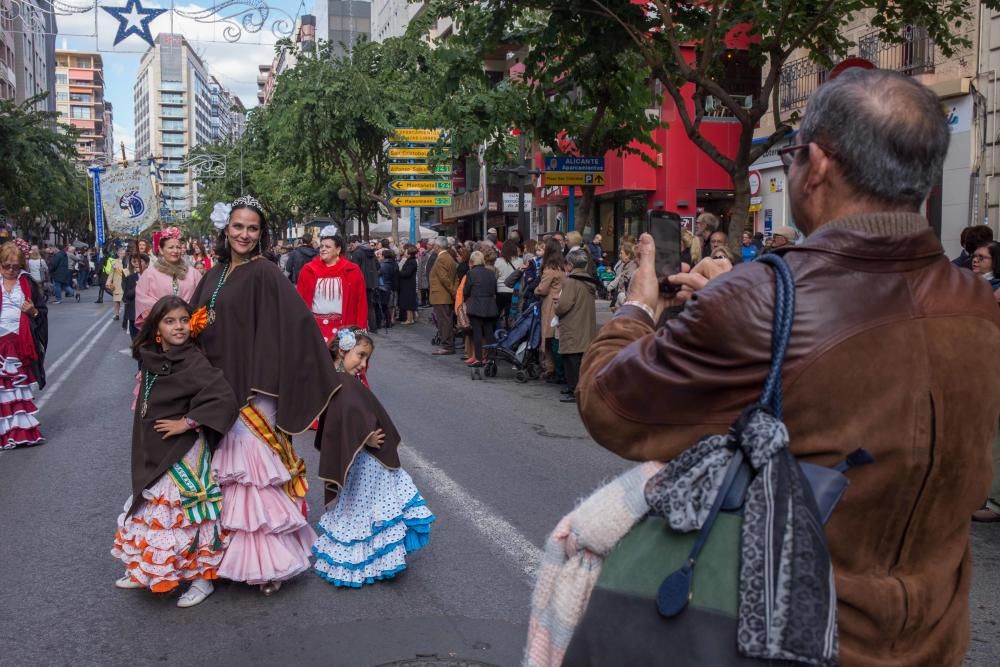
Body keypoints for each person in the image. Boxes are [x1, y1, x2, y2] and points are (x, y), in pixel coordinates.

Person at [576, 68, 1000, 664]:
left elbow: (607, 403)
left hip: (793, 636)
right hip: (933, 637)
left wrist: (638, 306)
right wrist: (735, 295)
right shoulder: (978, 304)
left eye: (795, 152)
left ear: (819, 164)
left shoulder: (757, 301)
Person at [190, 195, 341, 596]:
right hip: (218, 388)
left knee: (255, 477)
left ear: (261, 234)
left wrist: (329, 360)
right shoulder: (215, 274)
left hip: (254, 393)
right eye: (238, 226)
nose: (243, 234)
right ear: (226, 229)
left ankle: (270, 563)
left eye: (252, 228)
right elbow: (194, 323)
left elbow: (298, 325)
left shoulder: (267, 273)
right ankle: (226, 559)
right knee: (225, 478)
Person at [111, 296, 238, 607]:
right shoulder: (152, 357)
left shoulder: (194, 361)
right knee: (153, 510)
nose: (179, 327)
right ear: (157, 329)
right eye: (170, 321)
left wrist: (188, 422)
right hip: (155, 447)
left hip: (185, 452)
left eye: (183, 320)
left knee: (185, 515)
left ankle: (201, 579)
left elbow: (224, 399)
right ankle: (148, 568)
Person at [312, 327, 435, 587]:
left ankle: (374, 560)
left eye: (367, 358)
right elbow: (340, 419)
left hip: (366, 461)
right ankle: (366, 562)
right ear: (342, 349)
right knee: (370, 508)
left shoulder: (340, 379)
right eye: (360, 355)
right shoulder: (339, 382)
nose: (363, 364)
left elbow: (347, 416)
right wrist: (364, 436)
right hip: (368, 460)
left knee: (365, 506)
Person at [0, 242, 46, 449]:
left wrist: (33, 311)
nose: (11, 270)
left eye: (15, 266)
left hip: (20, 344)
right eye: (6, 266)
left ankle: (20, 434)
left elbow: (42, 313)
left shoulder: (27, 283)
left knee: (17, 389)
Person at [295, 227, 368, 343]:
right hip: (315, 330)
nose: (323, 249)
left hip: (345, 331)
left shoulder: (352, 270)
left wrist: (361, 334)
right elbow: (299, 303)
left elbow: (361, 305)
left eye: (328, 247)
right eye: (321, 246)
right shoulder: (308, 270)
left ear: (338, 249)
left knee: (342, 361)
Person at [555, 250, 599, 403]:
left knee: (571, 359)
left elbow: (564, 305)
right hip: (585, 323)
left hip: (572, 323)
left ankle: (574, 390)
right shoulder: (589, 280)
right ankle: (576, 387)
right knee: (581, 358)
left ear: (571, 265)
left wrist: (556, 306)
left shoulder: (571, 281)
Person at [135, 228, 200, 328]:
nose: (175, 251)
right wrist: (165, 310)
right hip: (160, 325)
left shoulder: (193, 273)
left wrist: (186, 311)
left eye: (178, 247)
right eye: (171, 247)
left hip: (188, 325)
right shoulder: (149, 274)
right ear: (161, 250)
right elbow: (142, 298)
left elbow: (201, 296)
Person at [536, 238, 567, 384]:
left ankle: (553, 369)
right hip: (561, 302)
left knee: (550, 338)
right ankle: (555, 369)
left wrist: (535, 289)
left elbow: (542, 289)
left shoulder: (549, 268)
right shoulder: (563, 267)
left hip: (550, 305)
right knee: (555, 337)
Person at [463, 251, 498, 367]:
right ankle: (491, 358)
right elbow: (494, 290)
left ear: (472, 262)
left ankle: (479, 358)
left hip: (476, 305)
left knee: (477, 332)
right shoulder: (491, 273)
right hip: (489, 305)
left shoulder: (471, 273)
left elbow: (466, 291)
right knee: (489, 332)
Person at [429, 239, 458, 356]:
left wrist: (453, 292)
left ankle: (447, 346)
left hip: (441, 295)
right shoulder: (449, 257)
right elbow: (454, 278)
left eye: (435, 245)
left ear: (437, 246)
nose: (433, 247)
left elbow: (444, 279)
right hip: (445, 295)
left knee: (444, 322)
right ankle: (448, 344)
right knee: (446, 321)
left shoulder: (441, 258)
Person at [495, 239, 522, 328]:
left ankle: (497, 332)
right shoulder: (520, 261)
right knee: (510, 313)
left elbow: (496, 276)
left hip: (500, 290)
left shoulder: (498, 261)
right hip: (514, 291)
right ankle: (509, 332)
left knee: (497, 313)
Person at [122, 254, 147, 338]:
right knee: (135, 342)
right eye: (135, 262)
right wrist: (137, 287)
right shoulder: (130, 278)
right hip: (134, 316)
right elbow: (126, 296)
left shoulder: (152, 277)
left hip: (148, 315)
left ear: (147, 264)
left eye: (140, 261)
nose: (137, 263)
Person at [104, 247, 128, 321]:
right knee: (116, 301)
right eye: (121, 253)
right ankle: (116, 314)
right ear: (118, 254)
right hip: (117, 283)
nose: (122, 255)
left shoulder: (128, 262)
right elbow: (111, 273)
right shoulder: (114, 262)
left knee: (126, 301)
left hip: (126, 283)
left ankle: (126, 315)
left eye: (124, 253)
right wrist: (108, 282)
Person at [377, 248, 399, 330]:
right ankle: (389, 322)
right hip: (391, 286)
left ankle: (385, 322)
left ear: (383, 256)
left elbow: (378, 274)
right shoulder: (394, 264)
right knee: (388, 306)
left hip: (383, 287)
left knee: (383, 306)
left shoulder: (383, 265)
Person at [397, 246, 419, 325]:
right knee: (409, 301)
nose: (405, 252)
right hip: (408, 283)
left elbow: (407, 273)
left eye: (406, 251)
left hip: (408, 284)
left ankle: (409, 319)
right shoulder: (411, 260)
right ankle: (412, 318)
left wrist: (399, 272)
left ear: (409, 254)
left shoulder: (411, 261)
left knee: (408, 302)